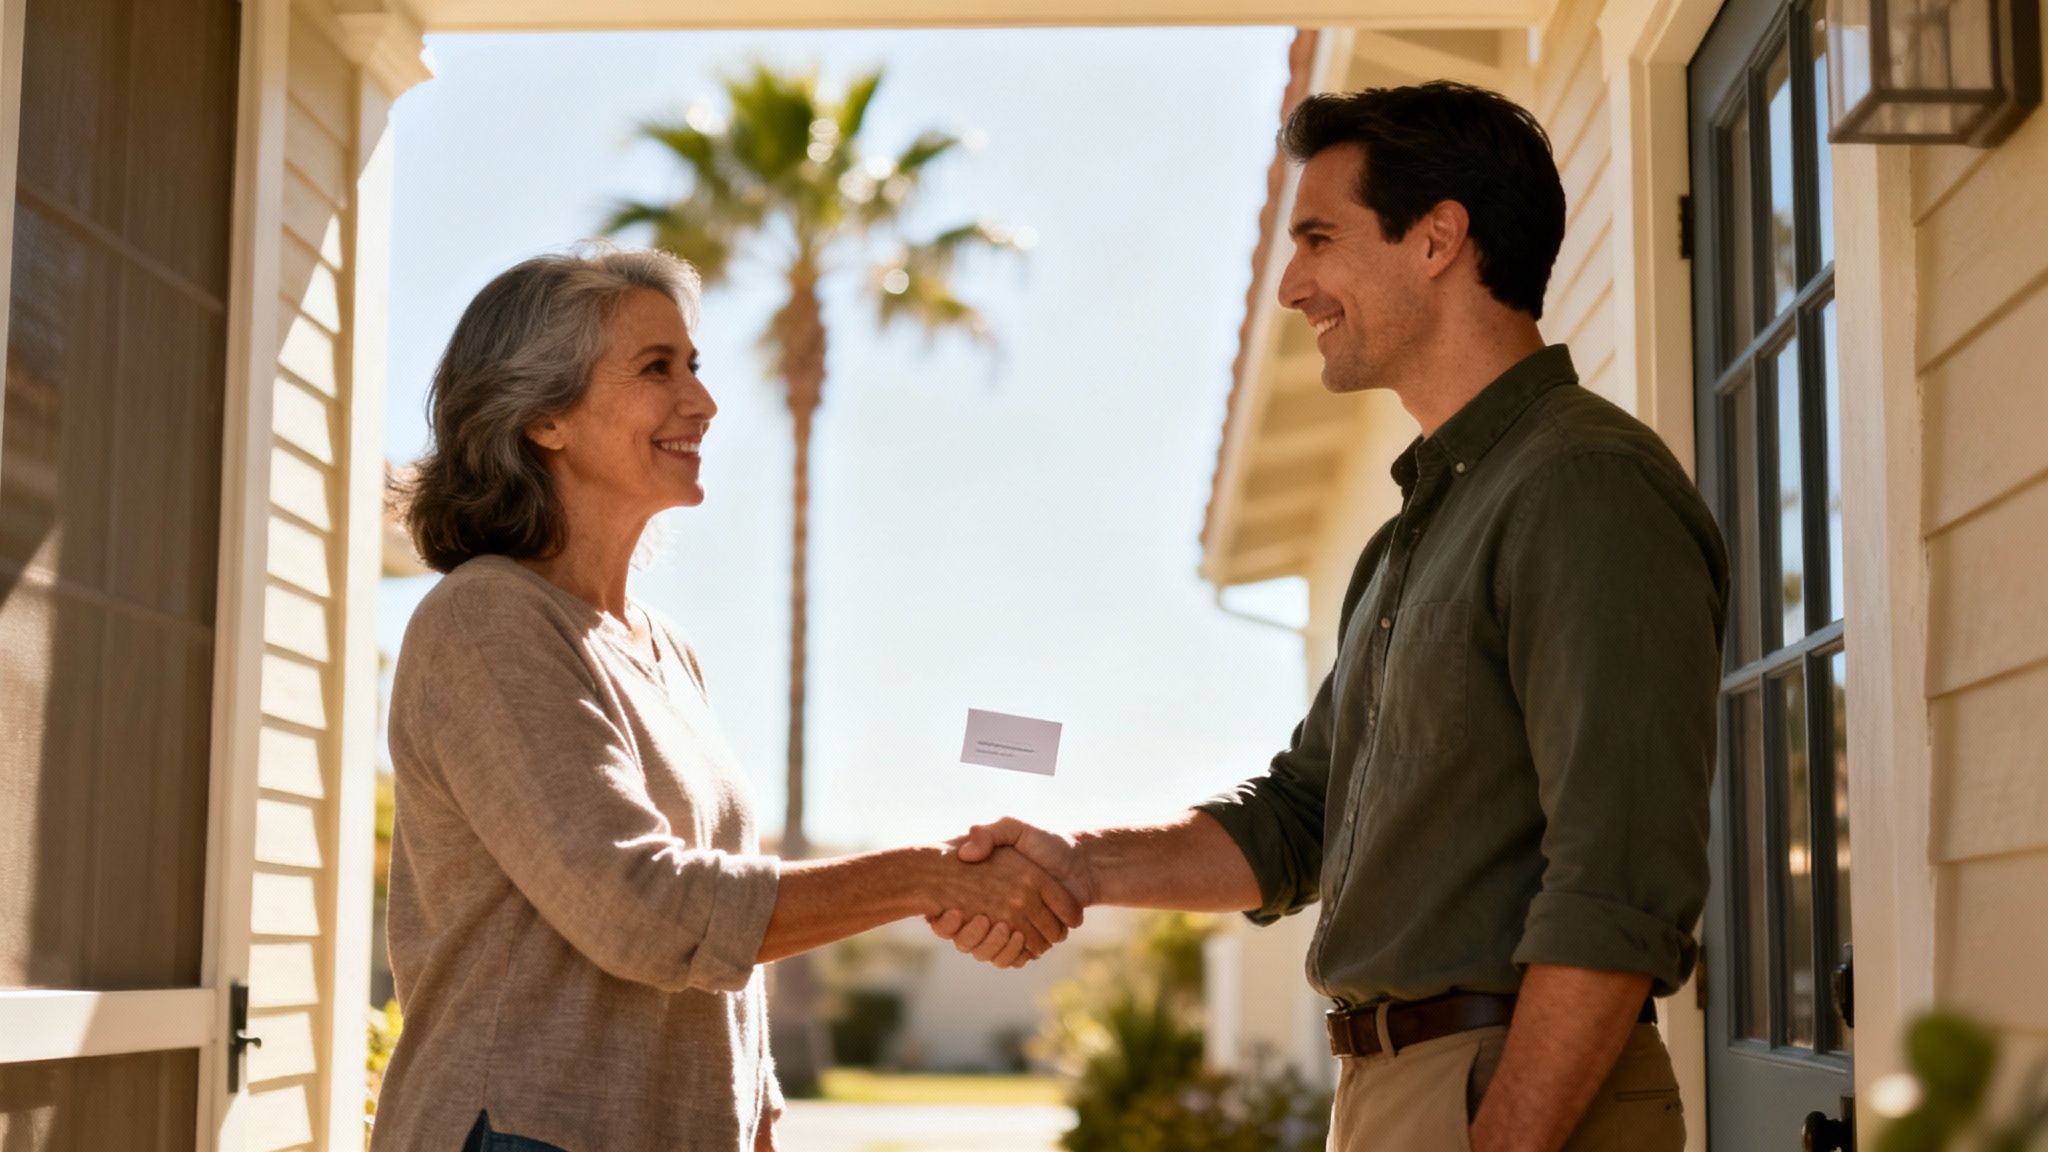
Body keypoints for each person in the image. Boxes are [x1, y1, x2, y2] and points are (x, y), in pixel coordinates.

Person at [930, 82, 1728, 1152]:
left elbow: (1615, 881)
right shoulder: (1417, 529)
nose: (1291, 287)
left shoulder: (1582, 485)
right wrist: (1080, 864)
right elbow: (1301, 818)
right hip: (1399, 1093)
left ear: (1437, 239)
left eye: (1317, 238)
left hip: (1512, 1098)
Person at [372, 244, 1081, 1152]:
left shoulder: (666, 650)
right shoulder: (487, 622)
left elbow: (717, 933)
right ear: (545, 415)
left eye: (694, 366)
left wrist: (759, 1107)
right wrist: (927, 875)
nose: (701, 401)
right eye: (655, 368)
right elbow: (643, 910)